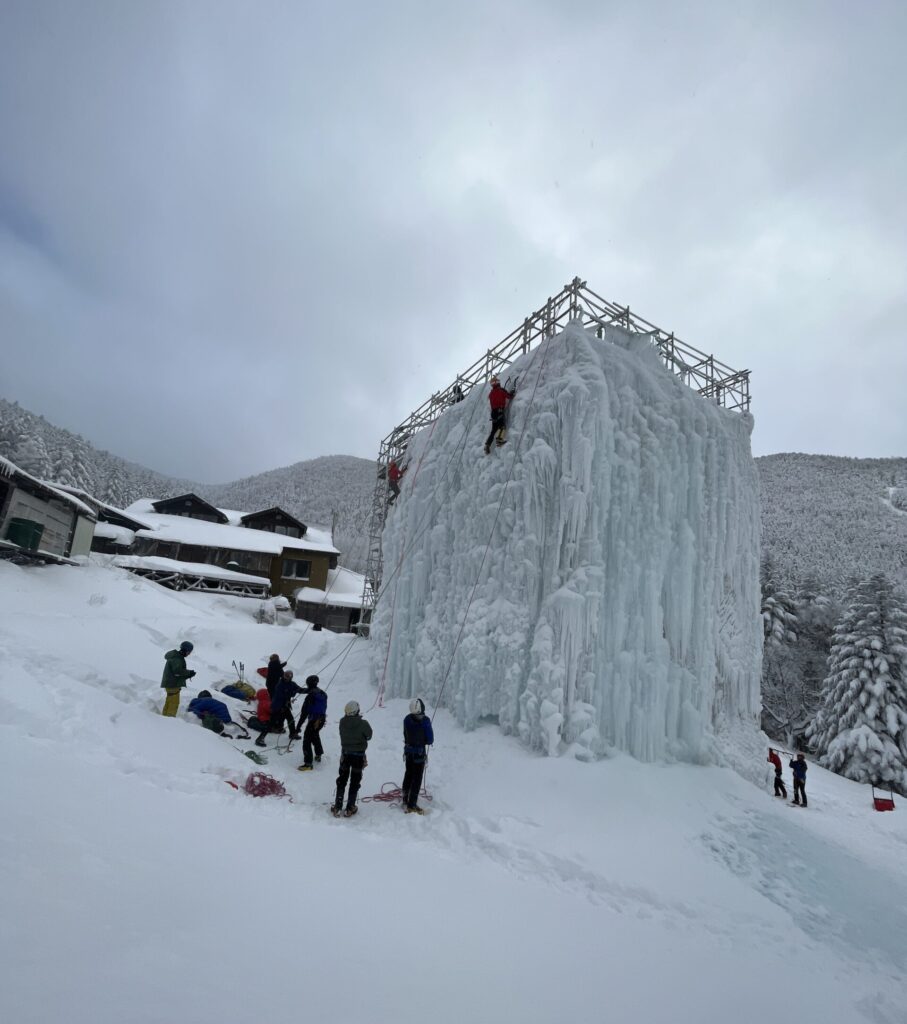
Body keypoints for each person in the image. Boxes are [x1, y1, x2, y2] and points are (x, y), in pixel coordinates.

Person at [332, 700, 372, 817]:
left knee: (342, 780)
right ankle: (350, 807)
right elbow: (369, 736)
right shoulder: (363, 723)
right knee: (355, 781)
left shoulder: (342, 722)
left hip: (345, 755)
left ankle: (338, 806)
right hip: (358, 757)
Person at [402, 698, 434, 814]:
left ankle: (405, 798)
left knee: (408, 775)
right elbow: (430, 740)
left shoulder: (407, 719)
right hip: (419, 755)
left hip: (408, 753)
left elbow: (405, 734)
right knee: (417, 779)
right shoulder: (425, 721)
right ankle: (412, 805)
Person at [255, 669, 303, 747]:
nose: (286, 677)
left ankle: (292, 734)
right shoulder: (280, 685)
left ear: (291, 677)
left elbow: (299, 689)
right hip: (277, 707)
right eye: (286, 675)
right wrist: (294, 692)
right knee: (271, 723)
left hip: (285, 706)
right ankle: (260, 738)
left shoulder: (292, 684)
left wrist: (309, 690)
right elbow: (285, 695)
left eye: (288, 676)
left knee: (291, 719)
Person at [296, 675, 328, 771]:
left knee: (307, 740)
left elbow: (304, 714)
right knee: (315, 735)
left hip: (314, 720)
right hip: (321, 719)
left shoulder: (310, 697)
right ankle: (318, 754)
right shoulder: (322, 693)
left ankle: (308, 763)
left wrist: (298, 727)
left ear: (308, 684)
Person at [160, 641, 196, 717]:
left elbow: (177, 673)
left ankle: (163, 719)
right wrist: (188, 673)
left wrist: (189, 674)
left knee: (169, 702)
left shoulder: (176, 657)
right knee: (174, 704)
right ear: (185, 650)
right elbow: (177, 671)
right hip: (172, 685)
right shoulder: (177, 658)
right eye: (189, 652)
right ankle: (169, 721)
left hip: (171, 683)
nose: (189, 654)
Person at [484, 375, 514, 454]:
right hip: (500, 411)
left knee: (493, 430)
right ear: (498, 383)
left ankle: (487, 444)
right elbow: (509, 396)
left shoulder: (491, 393)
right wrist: (512, 392)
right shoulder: (501, 390)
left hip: (493, 413)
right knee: (502, 426)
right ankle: (499, 440)